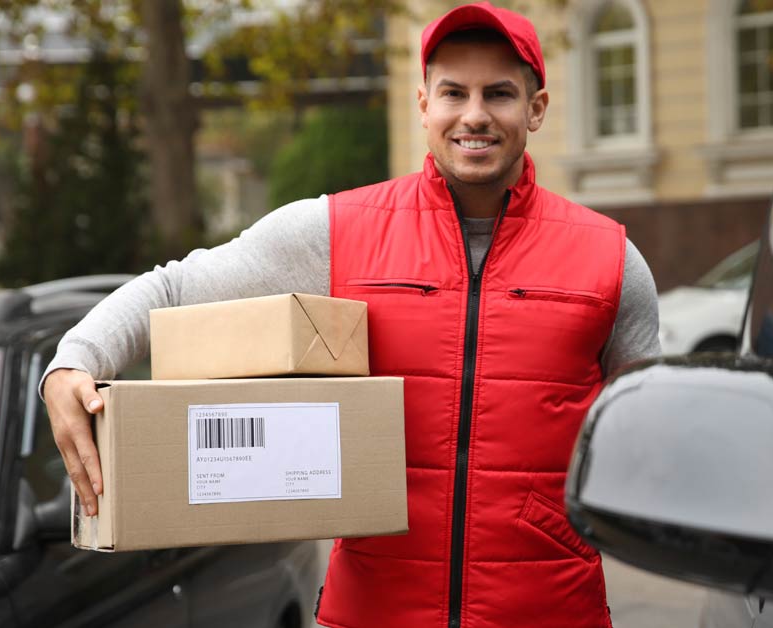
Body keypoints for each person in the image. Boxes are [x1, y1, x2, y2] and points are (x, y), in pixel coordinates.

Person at [40, 3, 660, 627]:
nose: (474, 115)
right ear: (423, 105)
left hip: (550, 612)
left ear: (536, 108)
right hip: (375, 612)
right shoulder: (340, 232)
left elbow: (647, 446)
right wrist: (74, 362)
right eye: (454, 93)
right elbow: (175, 288)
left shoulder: (609, 260)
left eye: (499, 93)